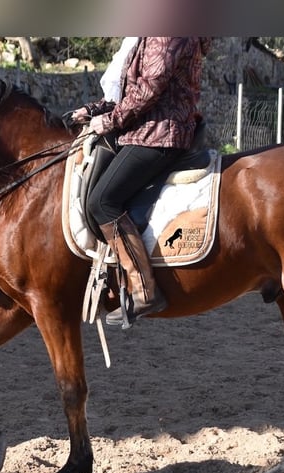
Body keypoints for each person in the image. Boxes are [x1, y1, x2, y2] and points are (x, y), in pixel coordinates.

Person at [72, 37, 212, 328]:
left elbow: (150, 89)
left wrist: (110, 120)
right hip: (146, 128)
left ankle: (145, 289)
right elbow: (134, 89)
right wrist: (95, 109)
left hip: (160, 133)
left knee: (102, 202)